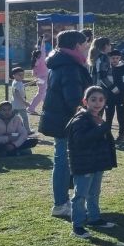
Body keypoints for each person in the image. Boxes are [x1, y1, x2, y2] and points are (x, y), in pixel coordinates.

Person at [39, 30, 93, 219]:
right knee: (63, 162)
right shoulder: (70, 66)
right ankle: (61, 203)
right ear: (77, 45)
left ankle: (62, 201)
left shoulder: (60, 62)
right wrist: (87, 116)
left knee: (62, 161)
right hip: (66, 121)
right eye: (85, 44)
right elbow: (74, 99)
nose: (87, 47)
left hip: (60, 119)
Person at [65, 86, 117, 239]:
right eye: (93, 100)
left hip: (96, 163)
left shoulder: (97, 118)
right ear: (85, 101)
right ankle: (77, 226)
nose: (97, 103)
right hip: (84, 163)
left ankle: (94, 218)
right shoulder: (80, 119)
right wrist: (102, 129)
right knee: (80, 195)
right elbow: (81, 140)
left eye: (101, 100)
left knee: (94, 192)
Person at [105, 51, 124, 142]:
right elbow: (104, 80)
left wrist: (123, 91)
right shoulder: (107, 67)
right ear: (109, 58)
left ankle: (121, 134)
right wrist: (113, 89)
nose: (115, 60)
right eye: (113, 58)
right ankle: (108, 134)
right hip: (109, 96)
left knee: (121, 116)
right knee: (109, 116)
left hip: (120, 96)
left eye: (117, 58)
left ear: (120, 58)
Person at [9, 65, 33, 133]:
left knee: (12, 117)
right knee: (25, 118)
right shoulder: (16, 83)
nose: (22, 76)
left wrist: (32, 82)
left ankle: (9, 129)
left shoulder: (18, 82)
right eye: (20, 75)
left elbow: (22, 86)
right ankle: (27, 131)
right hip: (20, 105)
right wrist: (24, 102)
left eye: (23, 74)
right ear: (14, 75)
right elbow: (17, 93)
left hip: (15, 104)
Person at [28, 45, 48, 115]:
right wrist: (42, 44)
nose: (42, 55)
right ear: (38, 55)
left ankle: (47, 107)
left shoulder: (34, 61)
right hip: (42, 79)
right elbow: (43, 51)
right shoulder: (40, 60)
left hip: (40, 79)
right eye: (41, 54)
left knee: (43, 93)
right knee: (41, 94)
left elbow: (34, 74)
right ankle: (31, 108)